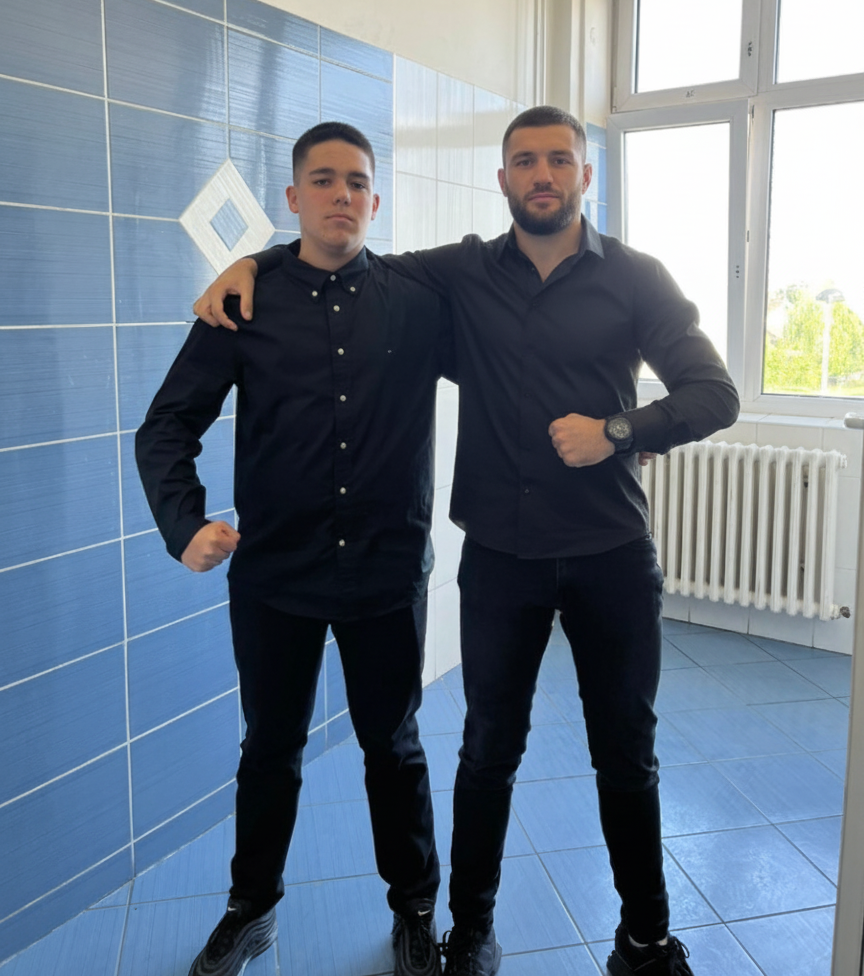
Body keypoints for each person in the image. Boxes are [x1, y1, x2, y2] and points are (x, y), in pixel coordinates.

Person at [192, 106, 740, 976]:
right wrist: (249, 261)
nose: (543, 175)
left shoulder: (637, 278)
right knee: (487, 751)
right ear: (504, 179)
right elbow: (338, 258)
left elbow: (715, 393)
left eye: (560, 160)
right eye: (525, 161)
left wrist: (618, 430)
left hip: (609, 553)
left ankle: (644, 939)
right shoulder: (459, 273)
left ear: (585, 177)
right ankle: (470, 930)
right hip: (501, 557)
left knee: (625, 756)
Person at [136, 121, 454, 976]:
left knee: (394, 748)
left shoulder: (418, 303)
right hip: (277, 576)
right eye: (323, 180)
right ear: (293, 199)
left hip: (388, 573)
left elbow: (514, 355)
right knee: (268, 749)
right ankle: (252, 909)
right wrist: (184, 523)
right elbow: (165, 426)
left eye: (356, 182)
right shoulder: (244, 301)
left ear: (375, 201)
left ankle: (416, 910)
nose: (341, 195)